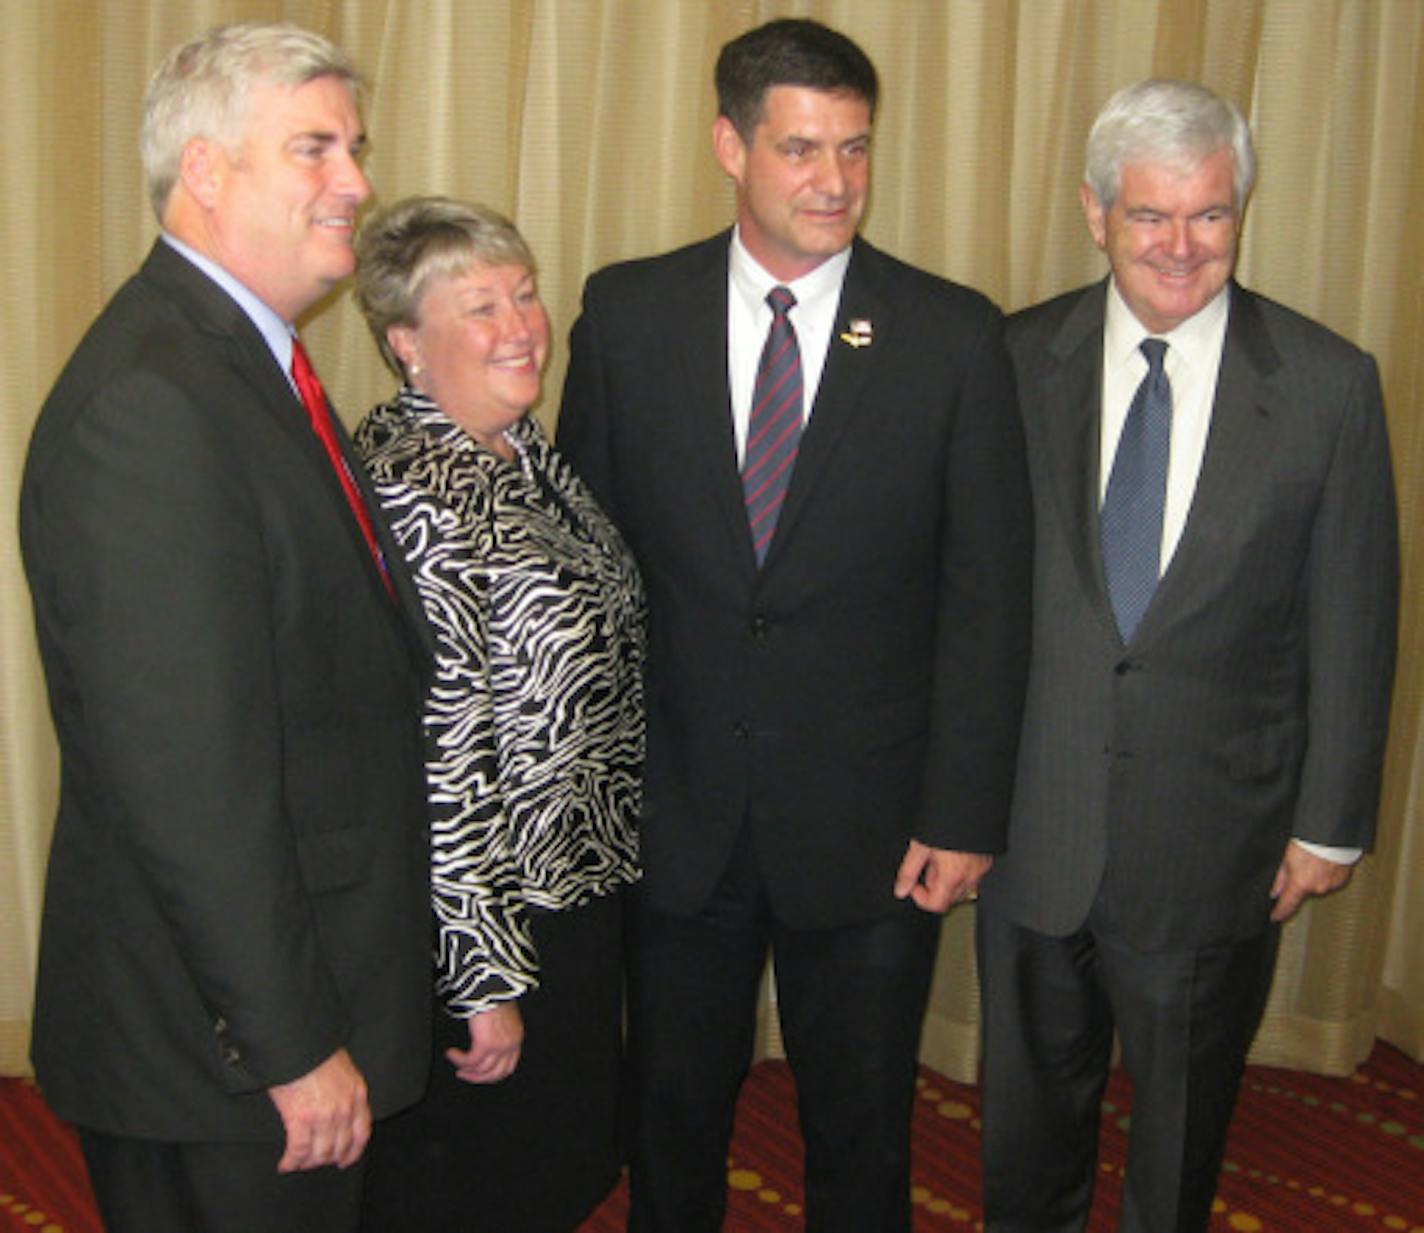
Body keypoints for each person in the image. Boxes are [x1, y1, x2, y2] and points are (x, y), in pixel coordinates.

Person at [558, 18, 1033, 1232]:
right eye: (801, 150)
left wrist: (962, 812)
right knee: (666, 1120)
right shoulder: (626, 317)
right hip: (677, 818)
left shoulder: (951, 335)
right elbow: (587, 585)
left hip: (873, 831)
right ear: (729, 144)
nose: (833, 183)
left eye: (856, 151)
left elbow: (987, 596)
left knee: (862, 1130)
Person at [18, 22, 434, 1233]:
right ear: (203, 171)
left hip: (262, 1025)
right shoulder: (154, 402)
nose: (356, 182)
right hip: (223, 1058)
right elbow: (189, 779)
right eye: (313, 149)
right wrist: (293, 1045)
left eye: (353, 148)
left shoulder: (242, 367)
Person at [977, 79, 1399, 1232]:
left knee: (1175, 1145)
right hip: (1033, 823)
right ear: (1094, 210)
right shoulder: (1009, 361)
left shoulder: (1324, 385)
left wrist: (1329, 822)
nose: (1178, 246)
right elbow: (964, 603)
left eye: (1207, 215)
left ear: (1240, 211)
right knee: (1025, 1136)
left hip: (1215, 836)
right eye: (1149, 214)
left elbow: (1354, 615)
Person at [349, 196, 645, 1232]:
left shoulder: (519, 451)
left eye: (522, 295)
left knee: (553, 1166)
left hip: (565, 886)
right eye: (479, 306)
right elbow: (443, 753)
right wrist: (479, 977)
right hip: (484, 914)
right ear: (403, 343)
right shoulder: (414, 481)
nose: (520, 325)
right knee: (473, 1185)